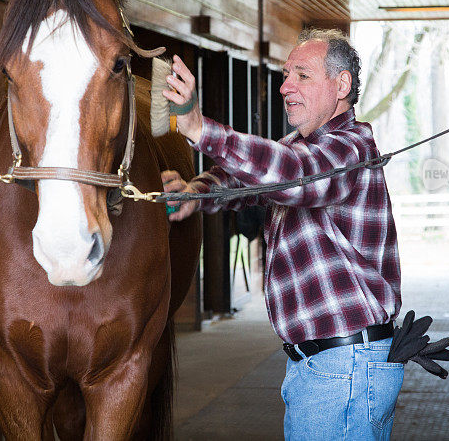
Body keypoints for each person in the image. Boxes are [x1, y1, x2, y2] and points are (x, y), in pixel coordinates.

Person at [160, 29, 403, 440]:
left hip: (343, 364)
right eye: (286, 75)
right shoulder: (299, 145)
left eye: (302, 76)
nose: (286, 86)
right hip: (322, 363)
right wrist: (195, 194)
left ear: (340, 85)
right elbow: (248, 177)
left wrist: (202, 129)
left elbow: (292, 174)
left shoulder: (351, 146)